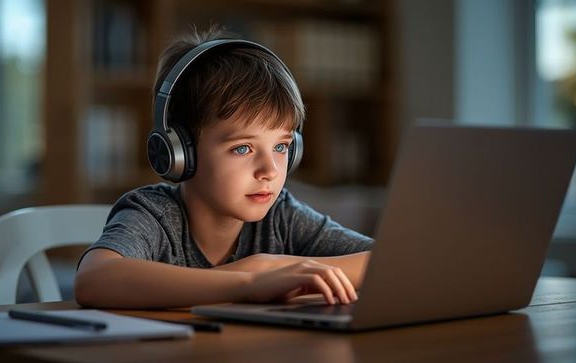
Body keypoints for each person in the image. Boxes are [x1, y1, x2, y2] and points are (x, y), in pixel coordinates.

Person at [75, 26, 374, 309]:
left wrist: (276, 268)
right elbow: (93, 279)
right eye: (242, 148)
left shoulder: (280, 215)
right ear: (180, 152)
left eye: (280, 147)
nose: (269, 170)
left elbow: (390, 260)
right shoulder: (155, 215)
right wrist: (249, 280)